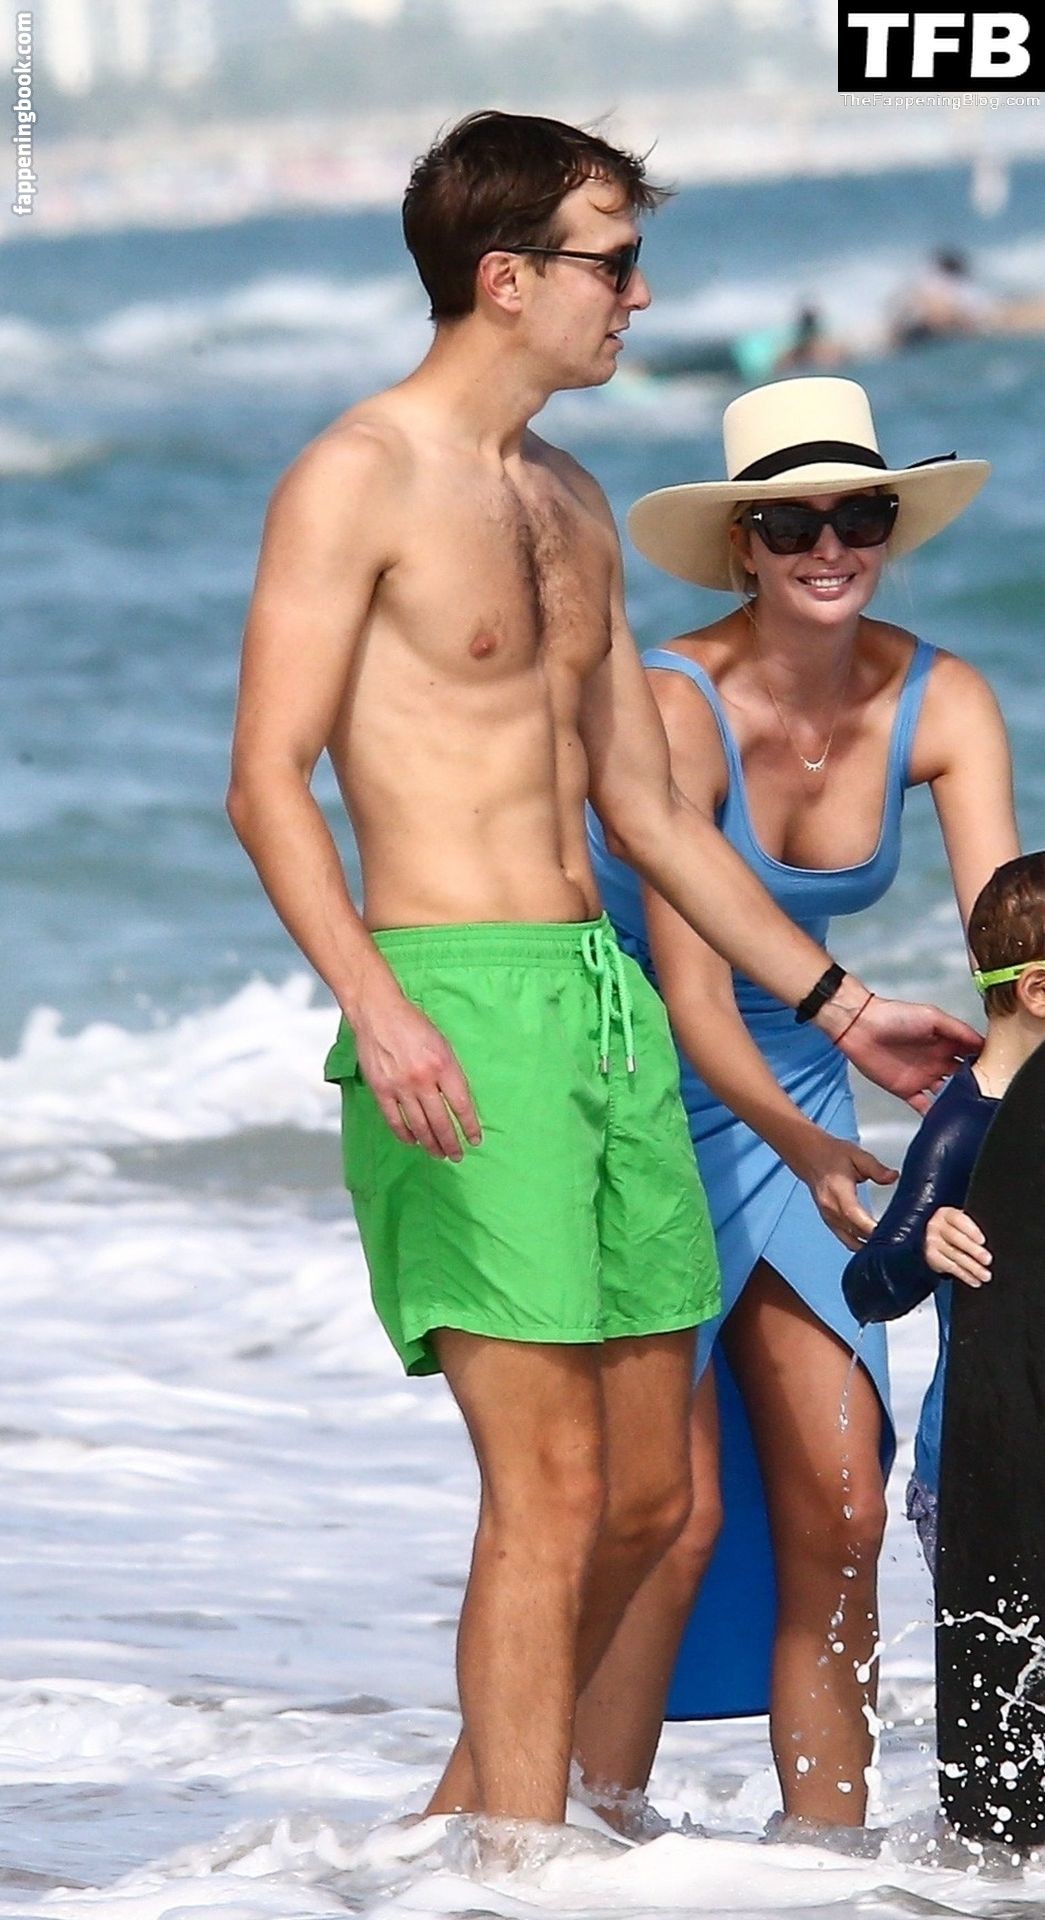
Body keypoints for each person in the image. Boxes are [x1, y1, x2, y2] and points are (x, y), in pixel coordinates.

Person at [226, 115, 981, 1833]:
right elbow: (267, 780)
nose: (638, 296)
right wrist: (377, 1006)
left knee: (655, 1500)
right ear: (507, 278)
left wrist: (848, 1010)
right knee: (551, 1488)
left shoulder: (566, 498)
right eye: (613, 262)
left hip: (605, 1005)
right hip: (453, 995)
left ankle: (454, 1842)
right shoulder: (355, 476)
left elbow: (647, 812)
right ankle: (519, 1869)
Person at [582, 374, 1018, 1832]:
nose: (829, 547)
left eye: (860, 515)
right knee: (670, 1512)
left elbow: (1012, 955)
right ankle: (584, 1827)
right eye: (790, 524)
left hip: (815, 1081)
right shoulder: (673, 702)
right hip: (654, 1088)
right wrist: (812, 1143)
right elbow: (698, 999)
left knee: (840, 1508)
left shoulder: (945, 696)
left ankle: (825, 1857)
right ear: (741, 546)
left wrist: (1002, 1101)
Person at [843, 853, 1045, 1577]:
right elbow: (867, 1289)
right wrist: (923, 1245)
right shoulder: (966, 1127)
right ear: (1038, 990)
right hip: (978, 1478)